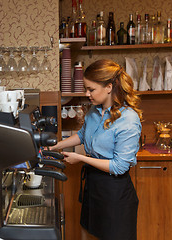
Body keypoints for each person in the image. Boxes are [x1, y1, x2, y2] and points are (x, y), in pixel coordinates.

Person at [50, 59, 142, 240]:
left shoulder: (129, 119)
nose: (87, 94)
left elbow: (119, 166)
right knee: (89, 233)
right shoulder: (93, 111)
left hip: (115, 192)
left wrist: (81, 158)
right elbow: (83, 135)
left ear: (109, 87)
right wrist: (57, 145)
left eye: (91, 89)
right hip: (93, 186)